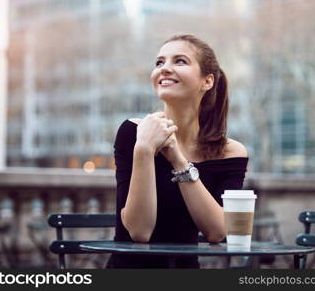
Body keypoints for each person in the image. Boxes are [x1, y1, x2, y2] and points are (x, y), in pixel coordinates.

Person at [106, 34, 248, 268]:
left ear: (207, 81)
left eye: (180, 61)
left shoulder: (231, 152)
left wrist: (178, 160)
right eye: (159, 62)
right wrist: (143, 149)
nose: (165, 69)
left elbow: (217, 231)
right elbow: (140, 231)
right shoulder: (132, 132)